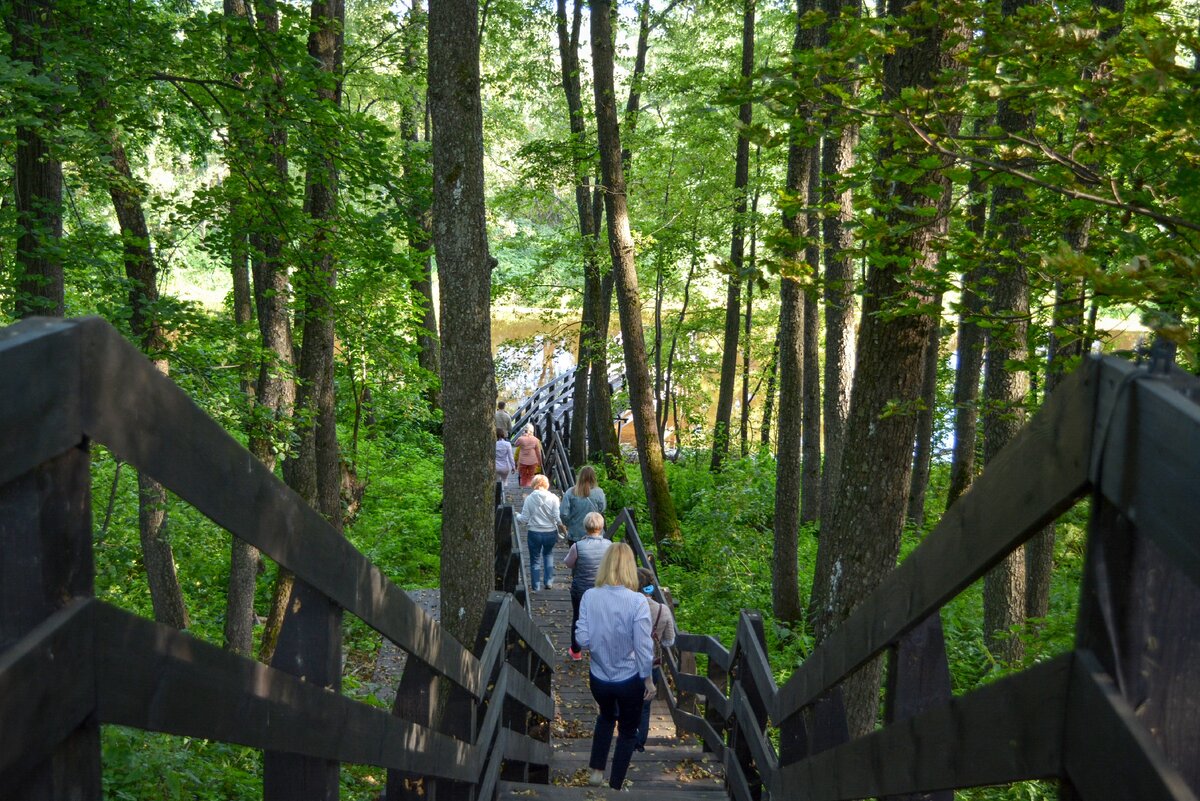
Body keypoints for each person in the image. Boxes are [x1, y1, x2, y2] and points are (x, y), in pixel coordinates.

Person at [576, 543, 655, 791]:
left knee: (606, 716)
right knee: (628, 731)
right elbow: (643, 648)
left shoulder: (590, 596)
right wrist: (648, 680)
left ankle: (597, 770)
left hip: (599, 678)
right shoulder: (638, 602)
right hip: (629, 679)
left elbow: (582, 640)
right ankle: (616, 785)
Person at [633, 567, 676, 753]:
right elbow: (669, 640)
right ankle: (639, 743)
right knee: (644, 706)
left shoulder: (629, 606)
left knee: (629, 702)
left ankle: (626, 738)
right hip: (653, 664)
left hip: (629, 663)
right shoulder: (662, 610)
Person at [562, 511, 611, 661]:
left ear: (585, 527)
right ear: (602, 527)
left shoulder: (577, 546)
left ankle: (576, 651)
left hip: (581, 589)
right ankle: (599, 649)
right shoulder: (609, 545)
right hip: (602, 589)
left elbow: (568, 563)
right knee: (602, 618)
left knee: (578, 617)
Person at [515, 474, 563, 591]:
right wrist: (561, 526)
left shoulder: (530, 498)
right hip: (550, 532)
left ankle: (536, 586)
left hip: (534, 533)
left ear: (534, 485)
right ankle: (548, 582)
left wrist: (516, 515)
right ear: (546, 485)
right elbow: (557, 517)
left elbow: (524, 519)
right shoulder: (554, 498)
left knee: (535, 560)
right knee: (548, 555)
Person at [559, 465, 607, 543]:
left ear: (579, 477)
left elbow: (563, 513)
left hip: (575, 533)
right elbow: (602, 509)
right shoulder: (599, 492)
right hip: (595, 533)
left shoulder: (570, 492)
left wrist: (569, 524)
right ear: (593, 477)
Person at [514, 424, 544, 488]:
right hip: (533, 461)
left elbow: (515, 445)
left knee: (523, 476)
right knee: (531, 476)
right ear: (532, 432)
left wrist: (515, 462)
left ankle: (523, 488)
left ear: (524, 431)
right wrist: (540, 461)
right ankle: (529, 488)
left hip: (522, 461)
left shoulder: (521, 439)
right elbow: (538, 452)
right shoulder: (536, 440)